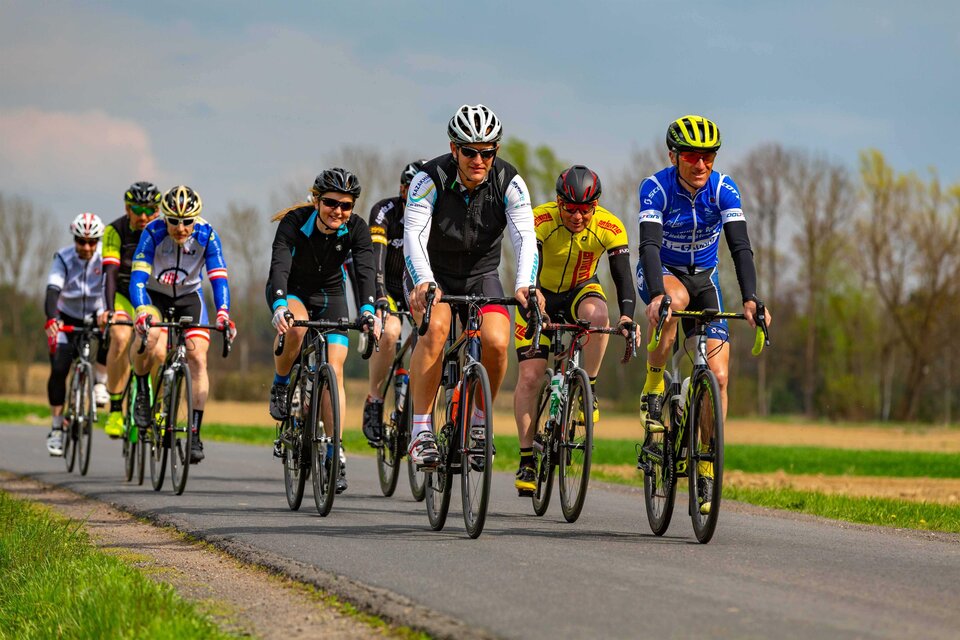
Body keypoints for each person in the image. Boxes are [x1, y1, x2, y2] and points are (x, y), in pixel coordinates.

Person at [636, 114, 773, 512]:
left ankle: (707, 466)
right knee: (675, 302)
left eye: (708, 156)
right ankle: (653, 384)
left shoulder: (723, 189)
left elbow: (740, 246)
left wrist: (751, 298)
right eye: (692, 156)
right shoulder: (655, 188)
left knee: (719, 375)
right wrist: (657, 295)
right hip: (662, 274)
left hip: (705, 280)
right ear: (673, 155)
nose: (701, 164)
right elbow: (648, 246)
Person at [404, 103, 539, 466]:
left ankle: (479, 421)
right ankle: (421, 430)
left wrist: (525, 284)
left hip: (481, 274)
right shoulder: (428, 179)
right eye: (469, 152)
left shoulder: (509, 181)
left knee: (496, 341)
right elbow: (414, 235)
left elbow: (524, 237)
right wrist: (424, 281)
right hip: (433, 272)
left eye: (487, 152)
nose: (479, 160)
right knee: (436, 329)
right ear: (454, 149)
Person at [512, 165, 636, 494]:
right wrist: (535, 300)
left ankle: (587, 389)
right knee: (530, 376)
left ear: (596, 205)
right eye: (570, 209)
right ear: (558, 202)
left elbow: (623, 276)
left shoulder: (610, 226)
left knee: (598, 315)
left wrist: (627, 316)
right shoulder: (540, 219)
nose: (578, 216)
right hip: (539, 293)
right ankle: (526, 459)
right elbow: (530, 264)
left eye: (586, 209)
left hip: (580, 290)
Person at [267, 168, 381, 494]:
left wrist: (368, 311)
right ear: (316, 200)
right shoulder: (295, 222)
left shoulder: (356, 228)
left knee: (335, 367)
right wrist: (280, 305)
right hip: (293, 291)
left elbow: (365, 272)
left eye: (346, 205)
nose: (338, 211)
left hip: (331, 294)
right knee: (296, 329)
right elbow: (279, 265)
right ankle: (281, 383)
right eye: (331, 203)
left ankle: (334, 450)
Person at [129, 185, 236, 465]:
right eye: (174, 221)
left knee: (197, 358)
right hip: (155, 296)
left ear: (195, 218)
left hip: (189, 297)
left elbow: (218, 279)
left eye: (187, 221)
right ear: (164, 218)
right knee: (150, 339)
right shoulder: (152, 232)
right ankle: (142, 390)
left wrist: (223, 314)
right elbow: (138, 279)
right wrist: (141, 311)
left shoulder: (207, 235)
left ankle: (195, 433)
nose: (181, 228)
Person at [360, 159, 426, 445]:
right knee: (389, 332)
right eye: (413, 189)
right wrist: (379, 294)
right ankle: (375, 400)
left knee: (433, 335)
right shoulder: (385, 211)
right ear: (402, 189)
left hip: (416, 289)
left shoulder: (436, 216)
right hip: (387, 284)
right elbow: (376, 257)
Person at [100, 181, 162, 437]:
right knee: (120, 336)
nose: (143, 216)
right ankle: (115, 409)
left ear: (158, 210)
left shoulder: (165, 230)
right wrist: (109, 309)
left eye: (149, 210)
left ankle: (159, 409)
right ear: (127, 209)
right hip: (123, 294)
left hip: (153, 296)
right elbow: (110, 273)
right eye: (137, 209)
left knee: (160, 350)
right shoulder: (115, 230)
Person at [44, 213, 109, 455]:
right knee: (59, 368)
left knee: (112, 332)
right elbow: (52, 291)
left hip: (95, 314)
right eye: (81, 241)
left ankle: (100, 383)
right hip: (66, 318)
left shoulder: (104, 257)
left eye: (92, 242)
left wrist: (106, 313)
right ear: (74, 239)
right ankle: (56, 428)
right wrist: (52, 318)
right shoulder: (63, 258)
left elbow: (109, 288)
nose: (87, 247)